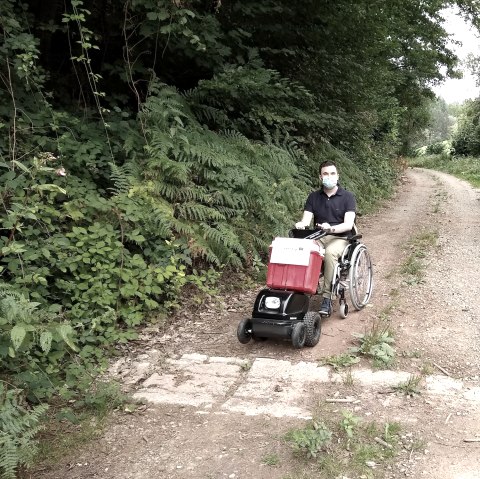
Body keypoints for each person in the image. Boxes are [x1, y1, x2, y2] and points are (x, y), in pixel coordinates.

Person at [295, 160, 356, 315]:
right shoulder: (313, 197)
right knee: (302, 249)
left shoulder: (348, 197)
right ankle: (302, 289)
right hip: (320, 235)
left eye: (332, 173)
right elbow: (306, 218)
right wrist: (301, 224)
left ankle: (327, 298)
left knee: (329, 253)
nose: (329, 176)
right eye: (325, 174)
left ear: (337, 175)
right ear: (320, 177)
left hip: (341, 237)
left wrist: (332, 228)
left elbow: (349, 224)